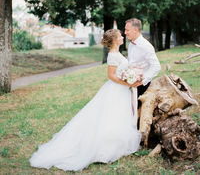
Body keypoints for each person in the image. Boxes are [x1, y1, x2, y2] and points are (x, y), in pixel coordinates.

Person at [29, 29, 141, 172]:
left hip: (121, 90)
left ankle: (118, 145)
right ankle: (104, 150)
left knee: (118, 117)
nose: (122, 38)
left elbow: (122, 70)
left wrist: (132, 72)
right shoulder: (112, 55)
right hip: (116, 89)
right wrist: (128, 83)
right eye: (120, 36)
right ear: (114, 40)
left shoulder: (117, 53)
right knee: (109, 118)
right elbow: (111, 76)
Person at [125, 18, 161, 103]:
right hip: (130, 83)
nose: (125, 32)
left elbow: (156, 66)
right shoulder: (131, 44)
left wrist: (142, 81)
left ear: (135, 30)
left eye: (127, 30)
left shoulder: (146, 46)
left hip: (142, 87)